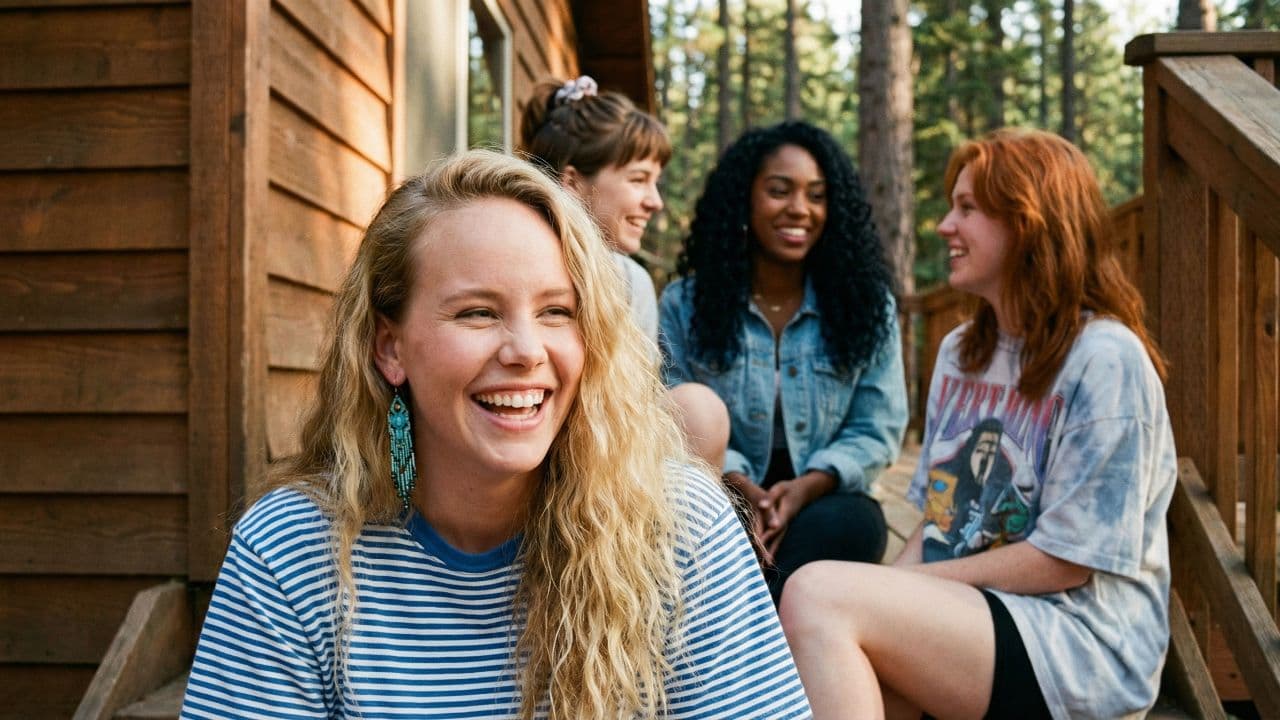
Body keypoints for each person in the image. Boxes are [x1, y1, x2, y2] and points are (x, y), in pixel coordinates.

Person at [180, 151, 812, 720]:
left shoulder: (679, 526)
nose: (525, 350)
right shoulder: (293, 551)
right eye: (477, 312)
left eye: (557, 312)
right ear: (390, 346)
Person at [778, 128, 1176, 720]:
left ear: (1028, 223)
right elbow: (941, 521)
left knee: (814, 593)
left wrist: (898, 594)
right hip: (979, 618)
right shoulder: (963, 351)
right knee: (823, 666)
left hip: (1080, 644)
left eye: (967, 209)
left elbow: (1068, 559)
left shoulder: (1105, 358)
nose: (945, 226)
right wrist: (881, 597)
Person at [659, 120, 909, 602]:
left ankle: (759, 636)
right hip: (717, 487)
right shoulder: (684, 305)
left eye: (816, 195)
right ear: (744, 199)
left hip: (823, 495)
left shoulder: (867, 307)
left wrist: (807, 489)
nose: (800, 209)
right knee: (709, 529)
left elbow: (876, 428)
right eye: (779, 190)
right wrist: (737, 487)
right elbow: (670, 411)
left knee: (849, 526)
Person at [520, 74, 730, 468]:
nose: (655, 202)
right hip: (525, 442)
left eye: (656, 183)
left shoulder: (631, 281)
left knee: (700, 409)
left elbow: (635, 404)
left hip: (606, 461)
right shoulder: (510, 266)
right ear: (572, 184)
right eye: (638, 180)